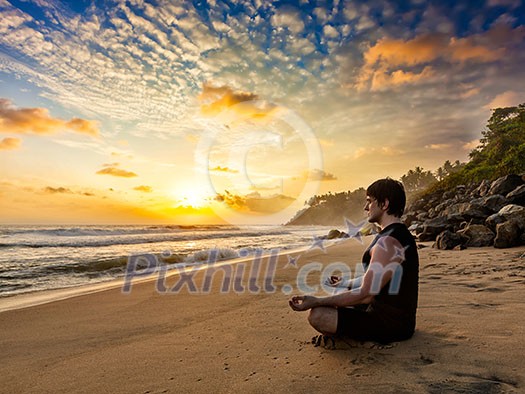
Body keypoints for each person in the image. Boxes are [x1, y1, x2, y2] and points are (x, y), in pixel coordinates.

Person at [289, 178, 419, 345]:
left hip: (391, 324)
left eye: (369, 201)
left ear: (385, 203)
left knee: (318, 315)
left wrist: (316, 301)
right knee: (338, 293)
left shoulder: (388, 243)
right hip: (386, 312)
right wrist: (345, 282)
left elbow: (366, 294)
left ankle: (350, 338)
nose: (366, 208)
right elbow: (373, 280)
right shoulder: (394, 235)